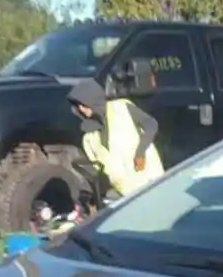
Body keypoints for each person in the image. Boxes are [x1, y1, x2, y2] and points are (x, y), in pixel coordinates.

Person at [67, 77, 164, 205]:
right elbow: (99, 168)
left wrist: (140, 152)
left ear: (92, 100)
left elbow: (151, 125)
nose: (81, 108)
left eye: (83, 104)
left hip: (150, 182)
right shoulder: (89, 136)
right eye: (77, 105)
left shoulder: (122, 108)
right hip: (125, 193)